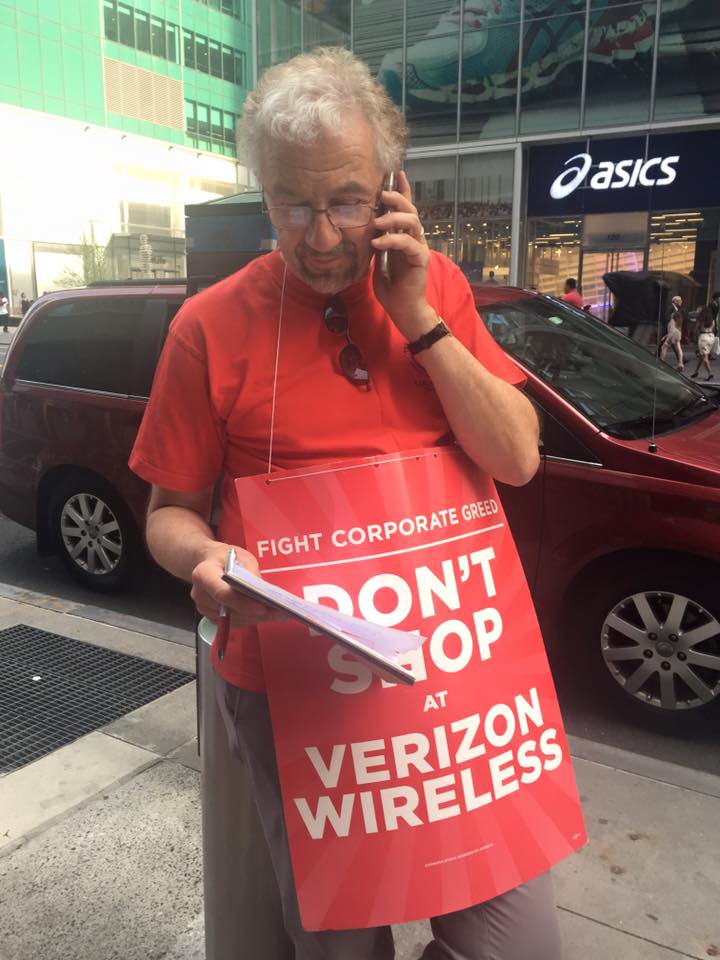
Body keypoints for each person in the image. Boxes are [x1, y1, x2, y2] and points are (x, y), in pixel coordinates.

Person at [129, 48, 552, 960]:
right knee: (339, 946)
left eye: (348, 201)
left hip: (454, 677)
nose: (320, 236)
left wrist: (417, 318)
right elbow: (168, 512)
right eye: (293, 204)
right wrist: (203, 557)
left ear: (393, 189)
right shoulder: (207, 327)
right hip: (294, 688)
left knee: (516, 946)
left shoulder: (436, 290)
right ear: (263, 194)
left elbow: (517, 457)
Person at [660, 295, 685, 372]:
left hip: (672, 332)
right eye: (680, 300)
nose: (681, 302)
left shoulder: (672, 317)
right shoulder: (677, 312)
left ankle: (661, 364)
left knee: (664, 347)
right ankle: (680, 363)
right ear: (675, 301)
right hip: (678, 332)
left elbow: (670, 326)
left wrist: (667, 336)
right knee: (678, 348)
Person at [691, 306, 716, 381]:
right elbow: (714, 329)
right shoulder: (712, 320)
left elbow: (695, 330)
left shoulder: (701, 320)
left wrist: (694, 338)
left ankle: (710, 373)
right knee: (702, 356)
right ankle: (696, 371)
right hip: (711, 337)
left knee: (705, 357)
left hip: (703, 337)